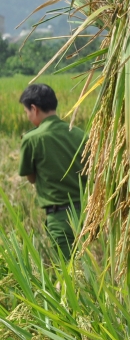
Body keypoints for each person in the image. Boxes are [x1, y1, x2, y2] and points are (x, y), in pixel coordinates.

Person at [18, 84, 87, 260]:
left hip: (59, 217)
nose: (28, 116)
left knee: (68, 277)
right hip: (87, 215)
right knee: (89, 270)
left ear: (34, 108)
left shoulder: (32, 139)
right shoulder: (80, 134)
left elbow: (31, 177)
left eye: (27, 112)